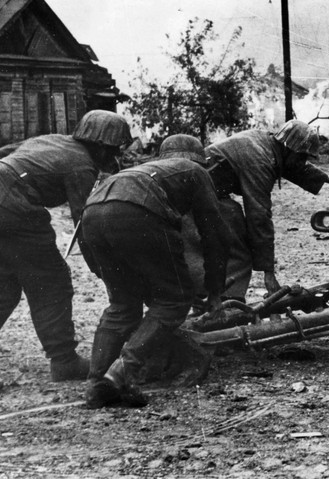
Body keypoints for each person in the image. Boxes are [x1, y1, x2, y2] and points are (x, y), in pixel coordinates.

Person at [0, 110, 131, 395]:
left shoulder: (53, 140)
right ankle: (64, 360)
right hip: (11, 207)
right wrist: (105, 269)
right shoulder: (82, 165)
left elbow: (3, 151)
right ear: (102, 146)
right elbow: (86, 223)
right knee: (52, 283)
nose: (114, 157)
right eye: (114, 149)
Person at [81, 134, 231, 409]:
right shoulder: (197, 173)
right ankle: (121, 373)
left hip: (91, 215)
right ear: (201, 160)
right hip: (138, 211)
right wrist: (216, 293)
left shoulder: (143, 171)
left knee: (122, 304)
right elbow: (214, 236)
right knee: (175, 299)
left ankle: (96, 384)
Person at [205, 119, 329, 300]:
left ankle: (220, 297)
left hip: (211, 194)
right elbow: (259, 216)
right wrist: (268, 273)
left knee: (232, 216)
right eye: (302, 156)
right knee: (237, 244)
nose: (303, 161)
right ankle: (226, 301)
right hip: (195, 196)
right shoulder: (260, 160)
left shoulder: (269, 145)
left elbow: (292, 165)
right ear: (287, 147)